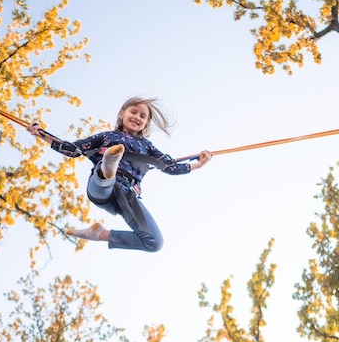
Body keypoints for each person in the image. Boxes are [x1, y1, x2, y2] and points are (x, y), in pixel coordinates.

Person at [27, 97, 212, 252]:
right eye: (133, 112)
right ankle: (108, 166)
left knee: (154, 243)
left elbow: (169, 166)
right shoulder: (107, 136)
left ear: (145, 124)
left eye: (143, 116)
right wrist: (41, 134)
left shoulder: (147, 147)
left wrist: (198, 163)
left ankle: (98, 233)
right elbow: (73, 149)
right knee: (106, 177)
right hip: (101, 188)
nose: (137, 117)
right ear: (121, 114)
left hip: (127, 196)